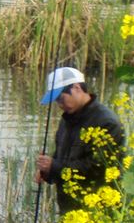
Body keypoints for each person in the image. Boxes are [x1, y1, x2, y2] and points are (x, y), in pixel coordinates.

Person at [35, 66, 125, 214]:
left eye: (61, 98)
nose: (59, 105)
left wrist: (55, 166)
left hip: (96, 210)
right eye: (56, 101)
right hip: (69, 210)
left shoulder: (107, 123)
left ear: (77, 88)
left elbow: (97, 169)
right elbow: (61, 157)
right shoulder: (67, 119)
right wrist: (47, 171)